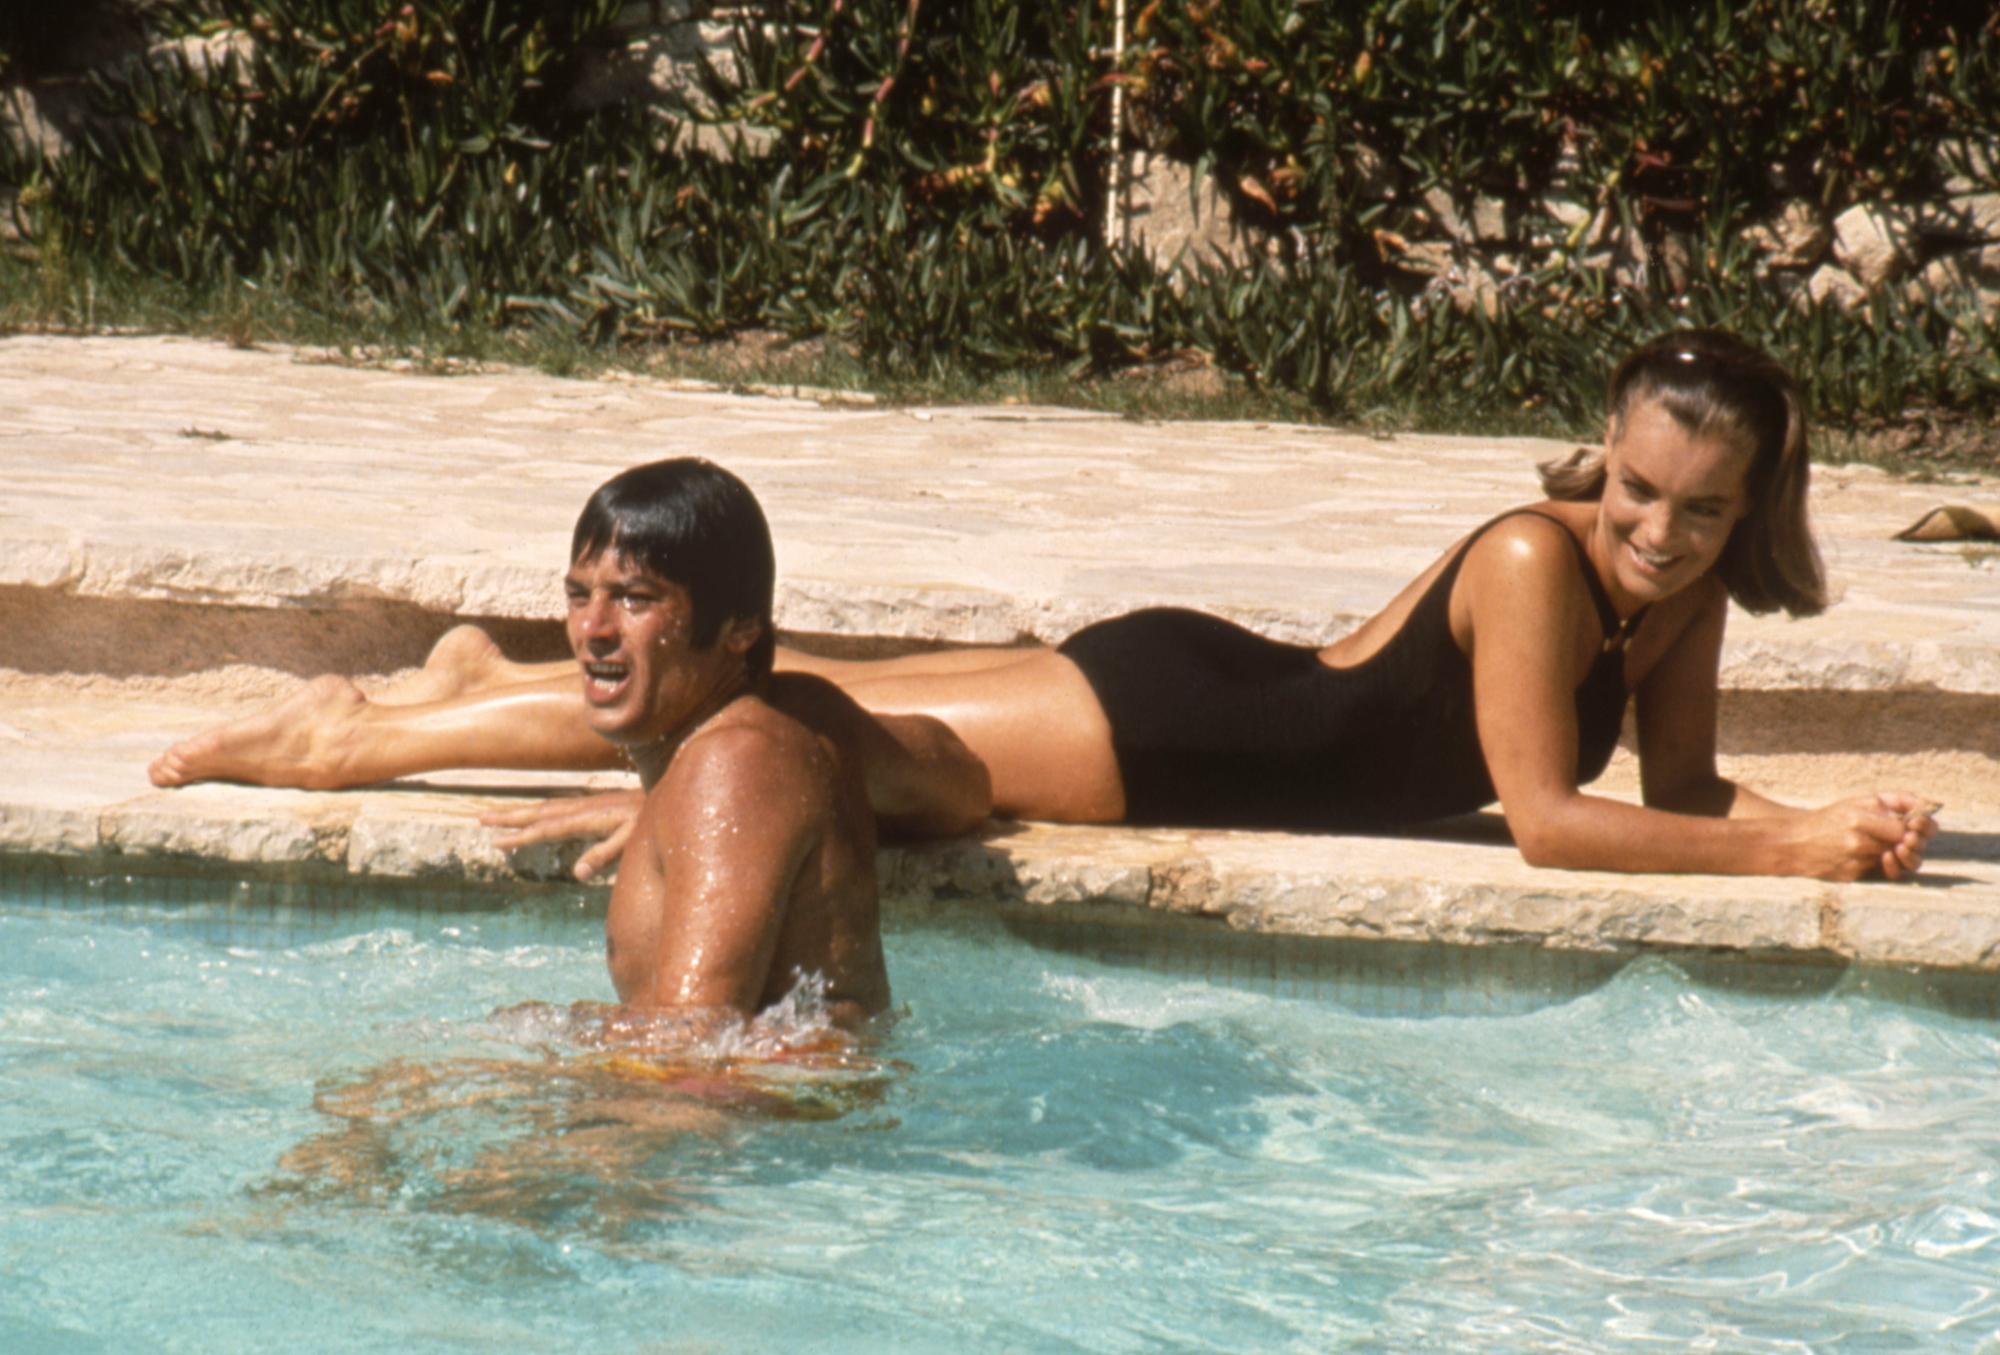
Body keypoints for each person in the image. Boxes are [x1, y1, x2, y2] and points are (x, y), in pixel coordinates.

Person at [152, 330, 1937, 881]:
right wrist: (1786, 856)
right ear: (1599, 459)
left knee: (801, 672)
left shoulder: (1676, 594)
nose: (1657, 533)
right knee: (785, 717)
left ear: (1752, 509)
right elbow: (1549, 821)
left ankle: (474, 677)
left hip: (1202, 692)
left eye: (1702, 511)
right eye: (1635, 490)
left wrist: (1823, 815)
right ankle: (347, 737)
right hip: (1166, 731)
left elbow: (1678, 792)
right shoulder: (1542, 560)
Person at [415, 458, 985, 1026]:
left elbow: (693, 1052)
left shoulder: (735, 763)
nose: (594, 629)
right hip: (787, 1083)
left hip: (771, 1089)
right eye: (579, 595)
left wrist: (512, 1055)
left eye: (636, 598)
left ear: (740, 627)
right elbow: (964, 786)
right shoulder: (779, 732)